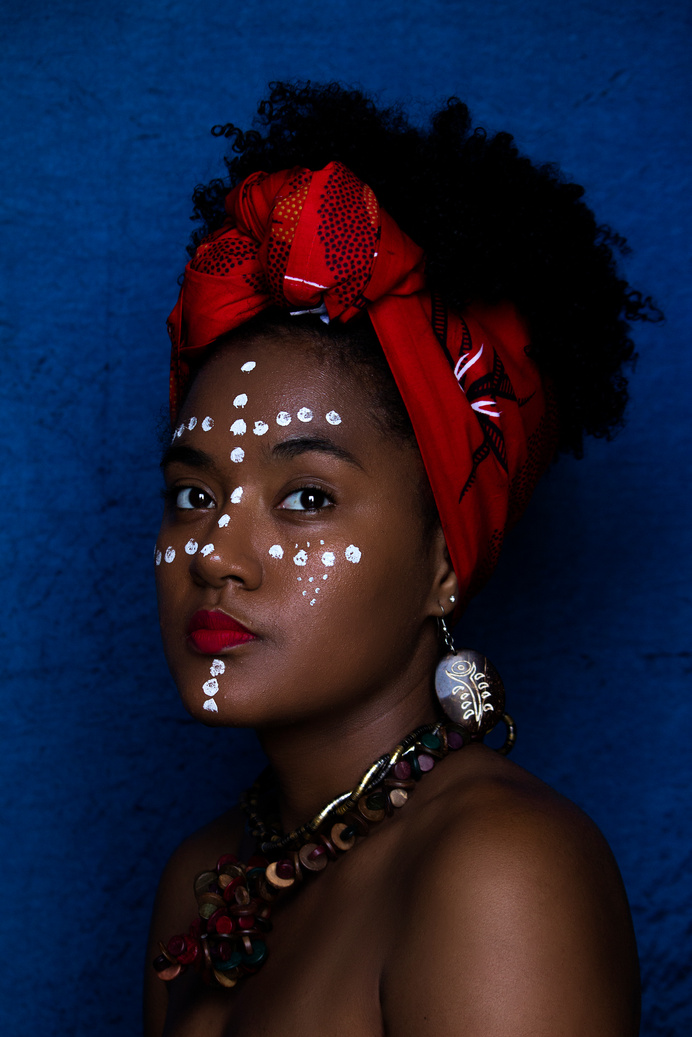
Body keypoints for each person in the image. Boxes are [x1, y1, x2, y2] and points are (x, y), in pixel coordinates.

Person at [144, 81, 655, 1036]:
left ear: (443, 562)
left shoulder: (500, 868)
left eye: (306, 498)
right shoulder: (204, 886)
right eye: (193, 495)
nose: (216, 555)